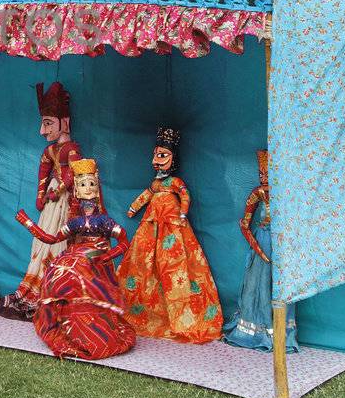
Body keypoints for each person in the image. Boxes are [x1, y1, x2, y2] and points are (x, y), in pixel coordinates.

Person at [14, 157, 137, 360]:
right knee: (57, 268)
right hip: (77, 255)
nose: (87, 189)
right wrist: (28, 223)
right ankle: (69, 325)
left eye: (91, 184)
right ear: (77, 191)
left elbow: (124, 242)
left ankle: (92, 329)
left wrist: (108, 255)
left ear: (97, 187)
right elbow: (51, 239)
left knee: (74, 265)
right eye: (82, 184)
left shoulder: (104, 221)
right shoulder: (76, 222)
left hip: (95, 257)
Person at [120, 126, 223, 344]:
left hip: (173, 225)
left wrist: (183, 211)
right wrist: (133, 208)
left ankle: (182, 314)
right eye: (155, 156)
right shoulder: (156, 184)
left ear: (173, 159)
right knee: (144, 262)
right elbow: (146, 195)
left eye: (162, 156)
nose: (156, 161)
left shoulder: (175, 183)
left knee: (176, 262)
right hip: (150, 226)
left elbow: (185, 195)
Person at [0, 82, 82, 320]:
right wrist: (40, 194)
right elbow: (43, 171)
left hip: (65, 203)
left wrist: (57, 190)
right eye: (43, 123)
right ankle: (38, 282)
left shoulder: (72, 150)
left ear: (64, 122)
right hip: (52, 202)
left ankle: (59, 287)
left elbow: (74, 175)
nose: (43, 131)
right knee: (44, 241)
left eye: (48, 123)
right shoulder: (51, 151)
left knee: (60, 240)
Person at [222, 150, 297, 352]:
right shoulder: (258, 193)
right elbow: (244, 224)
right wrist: (255, 244)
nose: (264, 178)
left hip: (282, 242)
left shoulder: (286, 192)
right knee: (258, 285)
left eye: (268, 174)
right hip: (263, 241)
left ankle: (281, 333)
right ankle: (258, 330)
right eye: (261, 174)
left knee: (280, 285)